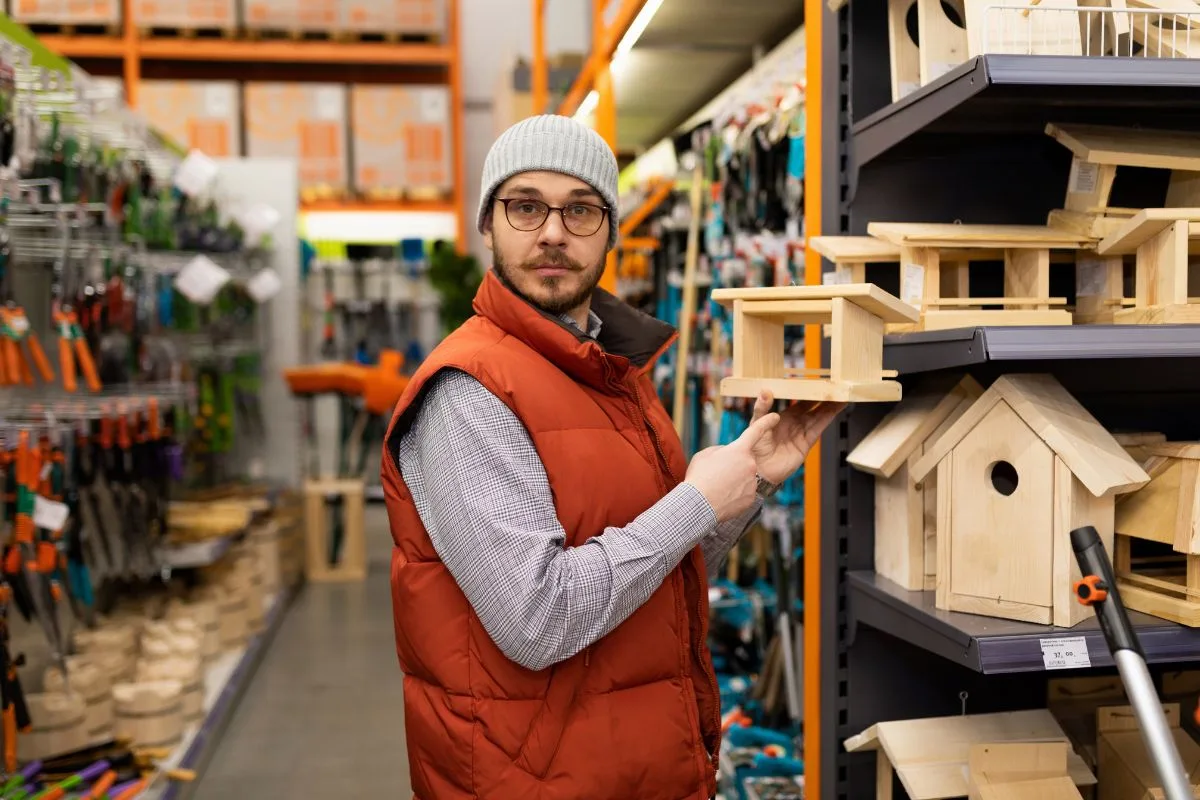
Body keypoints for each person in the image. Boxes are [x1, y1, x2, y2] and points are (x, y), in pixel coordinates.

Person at [381, 114, 844, 800]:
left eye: (581, 209)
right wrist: (694, 502)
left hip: (634, 767)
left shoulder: (615, 377)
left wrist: (745, 491)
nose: (552, 232)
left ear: (609, 230)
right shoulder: (468, 392)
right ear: (488, 224)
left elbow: (656, 581)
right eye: (526, 205)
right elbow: (539, 621)